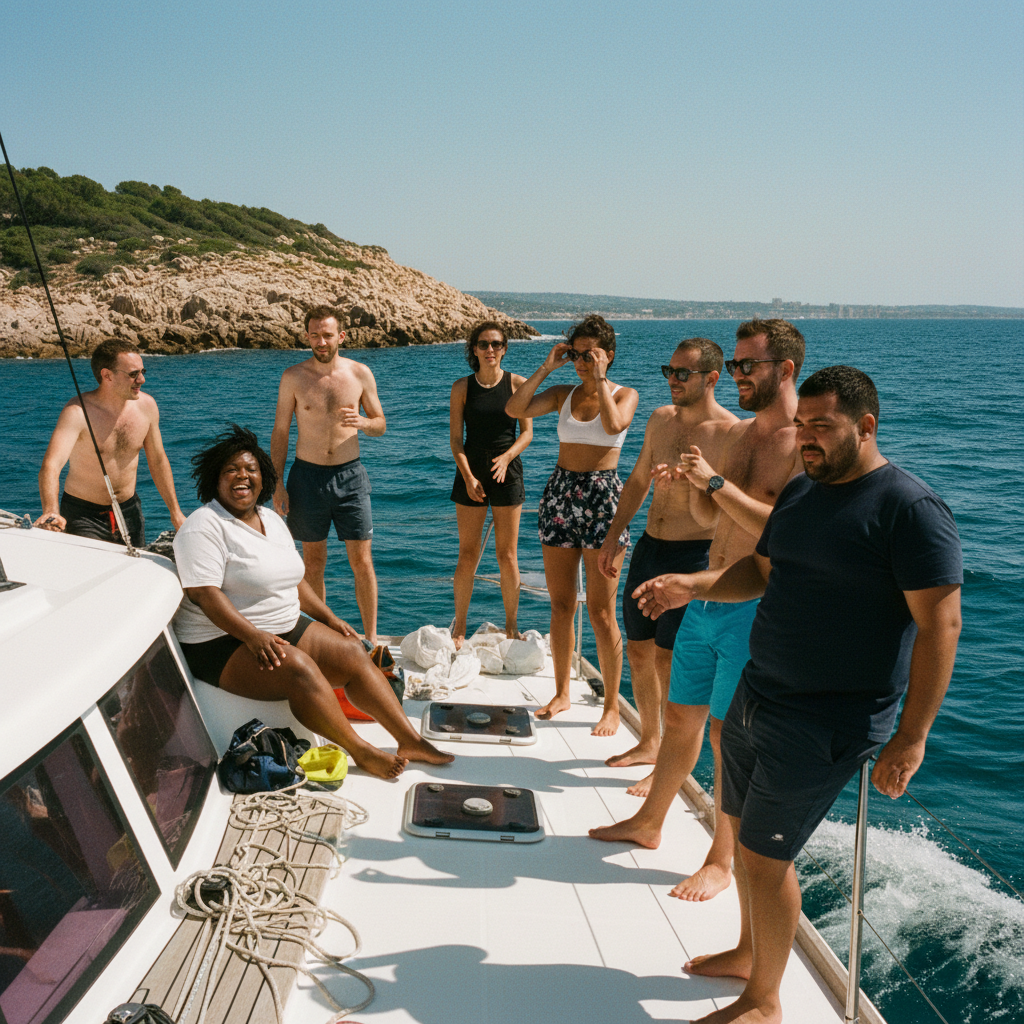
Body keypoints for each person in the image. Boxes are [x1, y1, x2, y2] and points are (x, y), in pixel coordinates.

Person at [633, 366, 962, 1024]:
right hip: (762, 693)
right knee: (746, 836)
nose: (806, 438)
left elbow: (940, 624)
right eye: (801, 425)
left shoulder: (909, 509)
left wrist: (912, 736)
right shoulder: (802, 494)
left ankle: (763, 1003)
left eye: (823, 426)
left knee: (762, 854)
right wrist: (694, 586)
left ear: (866, 427)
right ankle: (750, 954)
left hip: (828, 717)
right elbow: (761, 568)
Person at [589, 319, 805, 905]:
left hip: (753, 608)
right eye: (734, 365)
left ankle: (721, 859)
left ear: (785, 370)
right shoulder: (744, 441)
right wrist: (685, 487)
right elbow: (717, 524)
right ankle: (650, 822)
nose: (737, 376)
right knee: (682, 718)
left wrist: (711, 485)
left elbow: (783, 536)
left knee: (724, 735)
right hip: (709, 595)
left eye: (746, 366)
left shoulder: (800, 445)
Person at [172, 425, 454, 781]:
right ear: (215, 479)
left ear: (264, 477)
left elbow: (295, 579)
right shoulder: (204, 526)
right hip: (220, 643)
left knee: (353, 651)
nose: (242, 476)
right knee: (299, 668)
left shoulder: (271, 519)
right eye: (231, 470)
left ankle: (409, 740)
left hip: (283, 625)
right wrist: (252, 636)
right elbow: (204, 594)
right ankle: (360, 751)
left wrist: (329, 617)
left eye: (251, 469)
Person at [597, 338, 737, 788]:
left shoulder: (728, 432)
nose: (673, 381)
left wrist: (695, 484)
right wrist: (614, 533)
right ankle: (651, 740)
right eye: (669, 371)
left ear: (712, 379)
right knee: (638, 647)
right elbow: (638, 479)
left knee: (671, 659)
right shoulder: (660, 419)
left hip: (692, 556)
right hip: (650, 546)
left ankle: (669, 769)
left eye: (683, 374)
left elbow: (719, 514)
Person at [505, 315, 639, 736]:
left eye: (590, 354)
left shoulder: (624, 394)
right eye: (576, 354)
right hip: (562, 493)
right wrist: (547, 367)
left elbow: (616, 425)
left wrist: (599, 379)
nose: (581, 361)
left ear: (607, 356)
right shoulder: (562, 392)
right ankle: (562, 691)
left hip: (604, 500)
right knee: (561, 603)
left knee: (601, 612)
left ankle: (612, 706)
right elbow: (515, 408)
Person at [271, 305, 385, 644]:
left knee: (362, 560)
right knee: (313, 560)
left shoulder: (360, 373)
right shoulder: (293, 377)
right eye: (315, 335)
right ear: (307, 336)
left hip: (350, 475)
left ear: (342, 336)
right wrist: (276, 482)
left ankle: (373, 637)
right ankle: (320, 635)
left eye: (328, 335)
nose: (321, 341)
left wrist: (364, 423)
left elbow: (380, 423)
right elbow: (280, 431)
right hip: (306, 477)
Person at [35, 338, 185, 545]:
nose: (141, 380)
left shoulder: (147, 406)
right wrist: (51, 511)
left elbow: (158, 460)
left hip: (129, 510)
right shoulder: (77, 412)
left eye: (143, 372)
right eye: (133, 374)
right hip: (84, 515)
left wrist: (175, 512)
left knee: (133, 571)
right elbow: (51, 466)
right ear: (107, 375)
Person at [449, 321, 533, 647]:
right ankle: (459, 628)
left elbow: (526, 433)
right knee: (467, 554)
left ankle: (512, 626)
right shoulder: (461, 388)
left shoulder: (517, 384)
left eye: (496, 344)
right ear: (474, 349)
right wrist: (468, 476)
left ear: (505, 348)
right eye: (483, 344)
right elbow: (456, 440)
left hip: (506, 471)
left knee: (507, 555)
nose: (490, 350)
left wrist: (507, 457)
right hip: (471, 470)